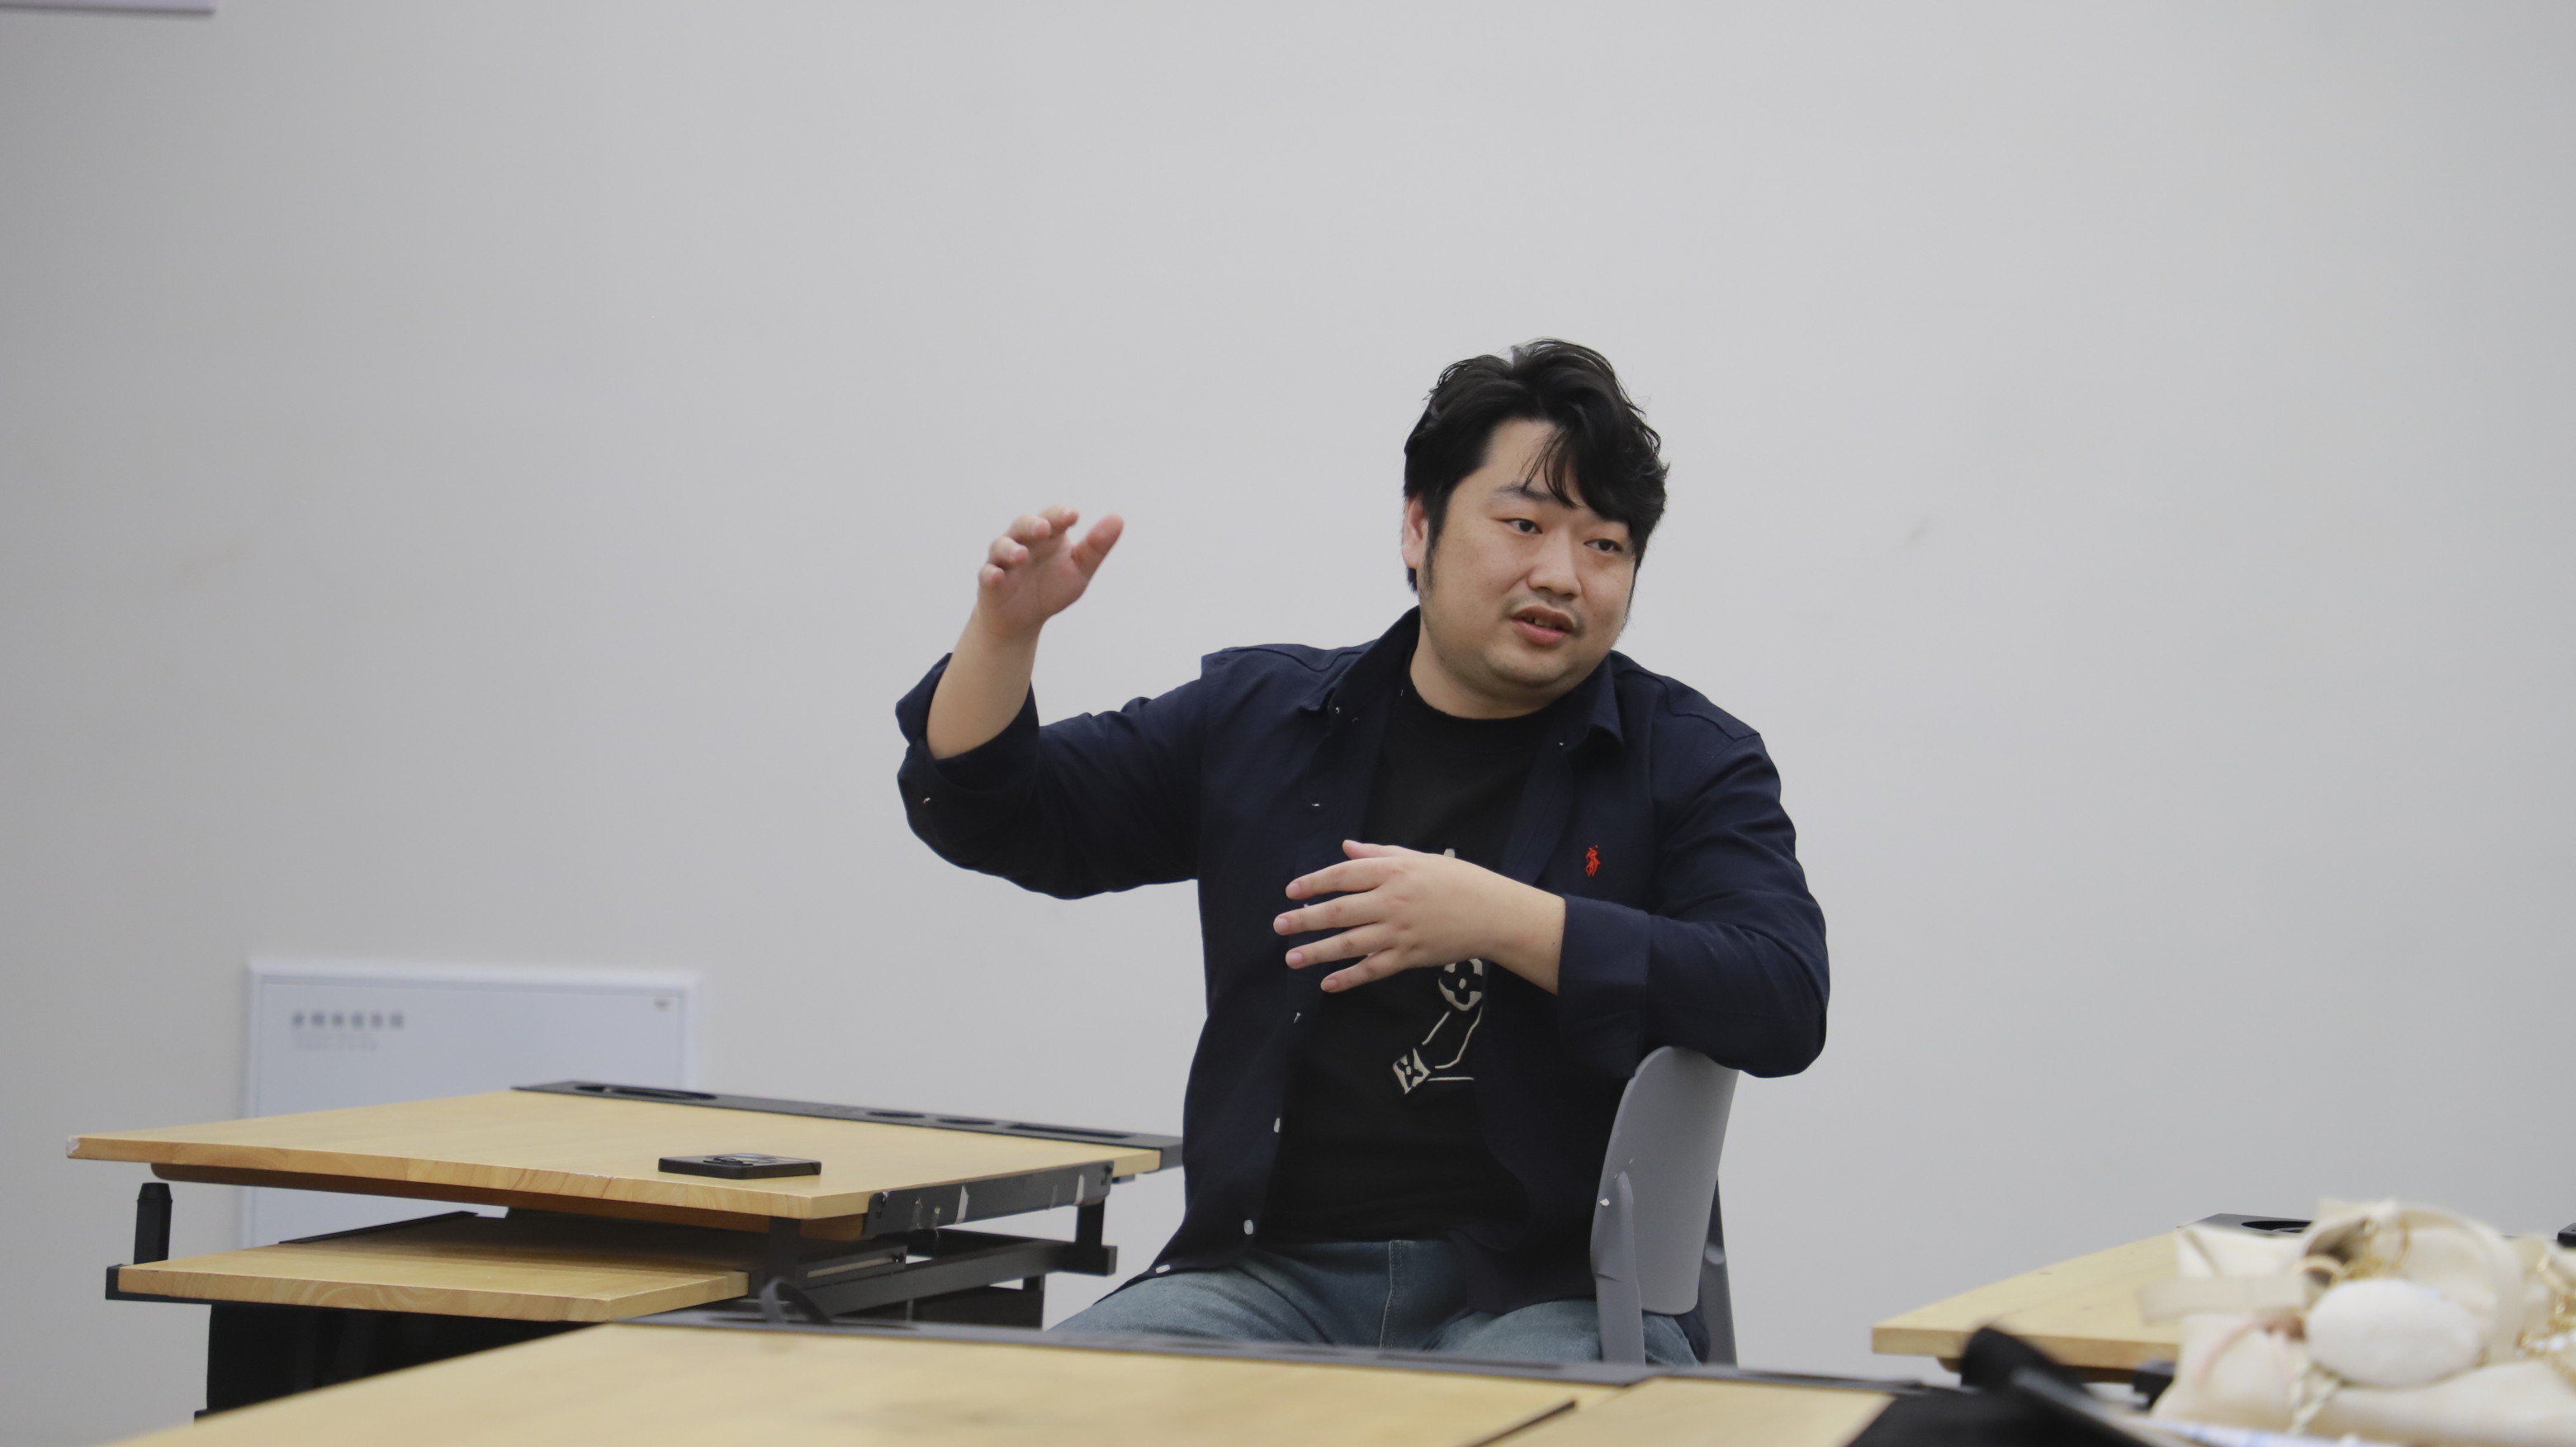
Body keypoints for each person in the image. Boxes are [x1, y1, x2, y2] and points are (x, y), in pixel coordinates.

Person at [894, 339, 1827, 1364]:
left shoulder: (1686, 760)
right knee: (1013, 1404)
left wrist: (1507, 921)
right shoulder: (1264, 721)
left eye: (1605, 545)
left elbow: (1781, 995)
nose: (1561, 575)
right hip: (1270, 1280)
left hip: (1554, 1291)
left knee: (1528, 1426)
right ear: (1419, 526)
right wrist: (1003, 637)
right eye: (1523, 525)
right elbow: (994, 813)